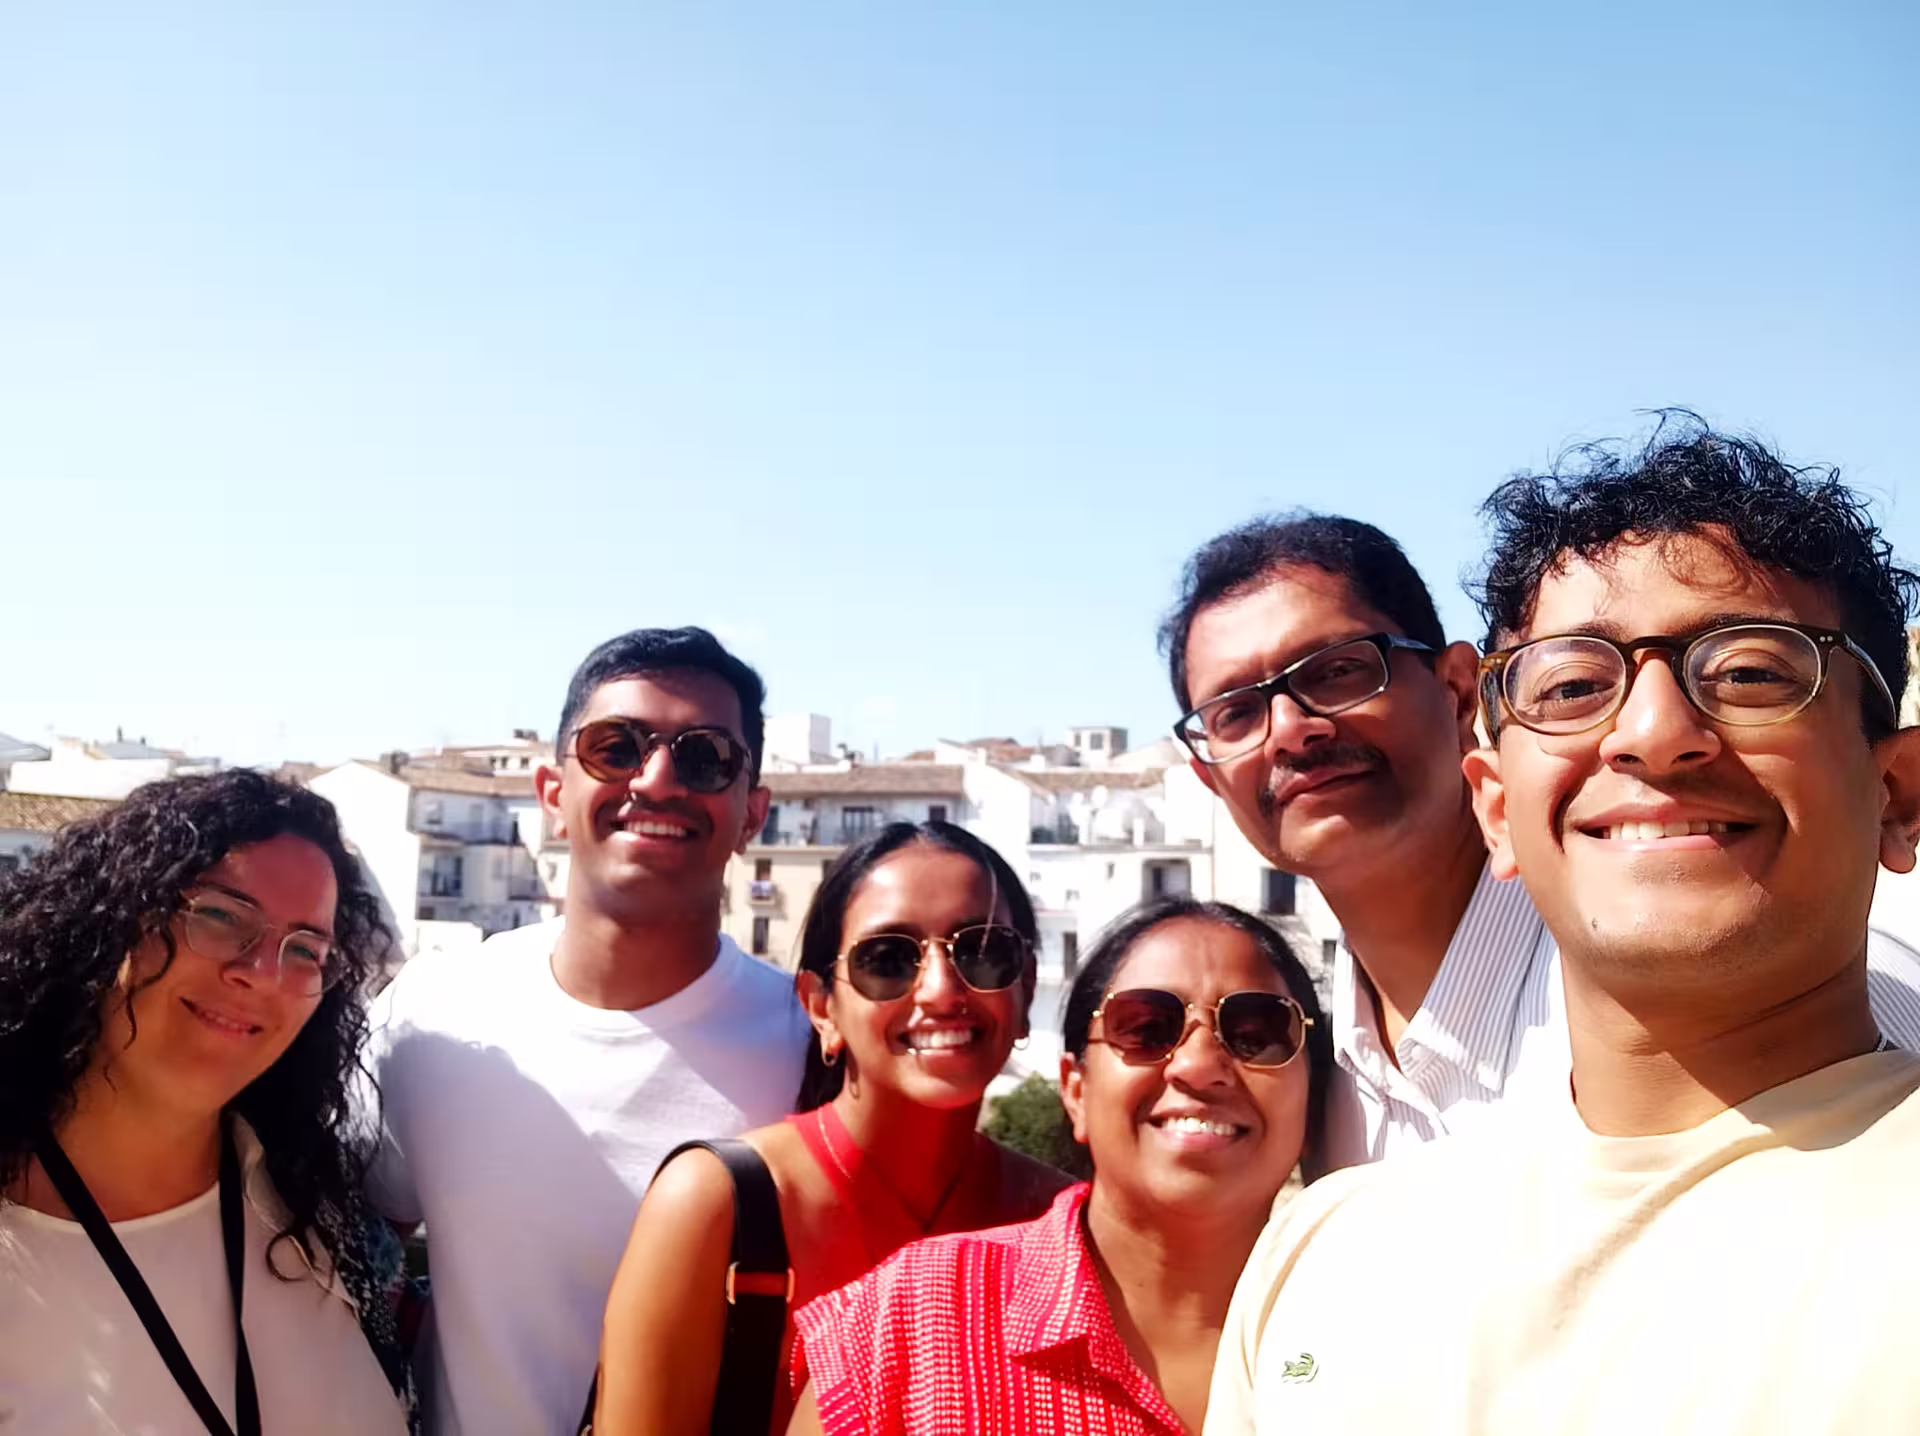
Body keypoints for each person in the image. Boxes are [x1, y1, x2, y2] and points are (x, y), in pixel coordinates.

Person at [1207, 418, 1920, 1433]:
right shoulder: (1318, 1266)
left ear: (1897, 793)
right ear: (1497, 808)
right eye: (1575, 685)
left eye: (1750, 672)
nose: (1654, 732)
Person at [1162, 498, 1920, 1167]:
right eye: (1236, 712)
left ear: (1459, 689)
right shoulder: (1310, 1073)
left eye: (1337, 672)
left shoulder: (1772, 999)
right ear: (1208, 776)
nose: (1291, 730)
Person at [364, 627, 813, 1435]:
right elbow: (348, 1248)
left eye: (706, 756)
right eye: (616, 747)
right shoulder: (431, 1013)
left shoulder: (811, 1048)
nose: (657, 779)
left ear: (753, 812)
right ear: (552, 793)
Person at [593, 820, 1070, 1435]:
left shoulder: (1062, 1222)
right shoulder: (719, 1208)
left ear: (1024, 990)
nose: (941, 989)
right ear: (821, 1007)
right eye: (888, 960)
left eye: (983, 951)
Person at [788, 896, 1331, 1435]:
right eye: (1145, 1029)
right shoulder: (906, 1328)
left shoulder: (1362, 1332)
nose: (1199, 1065)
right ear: (1075, 1091)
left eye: (1256, 1037)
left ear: (1312, 1099)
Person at [0, 769, 412, 1435]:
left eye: (306, 950)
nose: (263, 974)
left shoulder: (327, 1218)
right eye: (220, 916)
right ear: (110, 921)